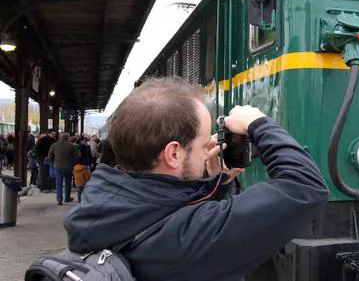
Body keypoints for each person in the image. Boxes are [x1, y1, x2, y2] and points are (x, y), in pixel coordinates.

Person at [63, 77, 328, 281]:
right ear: (174, 153)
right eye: (204, 144)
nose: (209, 150)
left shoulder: (102, 200)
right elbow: (305, 186)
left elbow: (165, 212)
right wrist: (258, 123)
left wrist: (216, 181)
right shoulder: (186, 243)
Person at [49, 133, 79, 205]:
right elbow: (76, 156)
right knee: (68, 183)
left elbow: (50, 155)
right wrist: (73, 163)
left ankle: (59, 199)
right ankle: (67, 198)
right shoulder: (72, 145)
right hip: (69, 166)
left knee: (58, 183)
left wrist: (52, 162)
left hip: (58, 166)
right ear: (68, 138)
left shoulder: (54, 145)